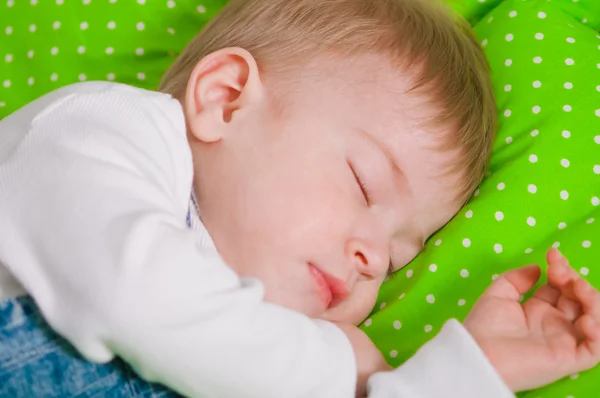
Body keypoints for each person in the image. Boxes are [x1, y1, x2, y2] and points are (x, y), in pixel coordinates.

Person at [0, 0, 598, 397]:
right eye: (364, 184)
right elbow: (131, 296)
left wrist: (472, 370)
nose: (372, 261)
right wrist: (353, 370)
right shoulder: (99, 129)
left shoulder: (247, 355)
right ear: (226, 99)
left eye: (397, 260)